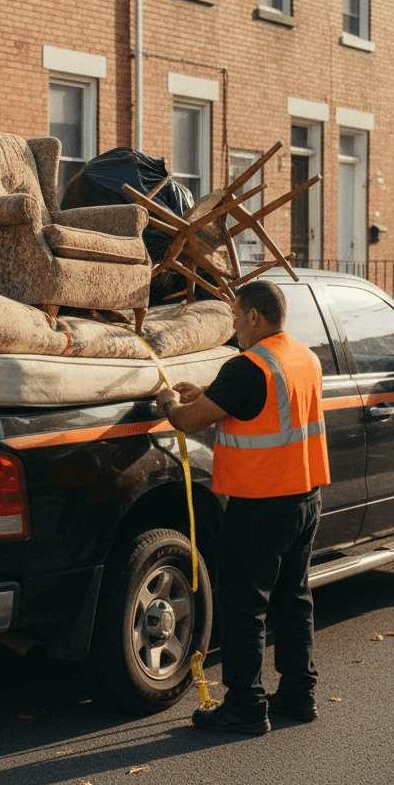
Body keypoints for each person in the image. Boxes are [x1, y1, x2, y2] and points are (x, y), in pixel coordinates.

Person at [156, 279, 330, 736]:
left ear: (253, 316)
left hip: (260, 505)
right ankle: (299, 694)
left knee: (244, 607)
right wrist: (208, 393)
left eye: (235, 317)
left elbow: (187, 420)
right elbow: (250, 405)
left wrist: (171, 402)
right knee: (294, 599)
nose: (234, 326)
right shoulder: (302, 357)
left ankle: (246, 707)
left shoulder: (248, 366)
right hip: (305, 499)